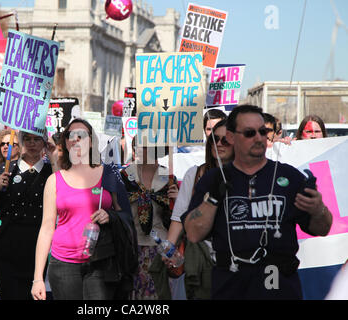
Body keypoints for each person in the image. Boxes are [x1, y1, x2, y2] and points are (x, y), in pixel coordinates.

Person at [183, 104, 333, 300]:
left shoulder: (289, 177)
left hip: (280, 286)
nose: (258, 138)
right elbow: (193, 233)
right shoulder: (214, 179)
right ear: (231, 137)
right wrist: (212, 199)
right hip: (231, 286)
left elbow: (323, 228)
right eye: (249, 133)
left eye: (263, 131)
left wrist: (318, 209)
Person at [32, 118, 136, 300]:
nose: (76, 139)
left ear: (91, 141)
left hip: (101, 261)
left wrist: (110, 216)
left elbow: (126, 216)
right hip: (63, 264)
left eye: (81, 135)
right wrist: (38, 278)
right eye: (70, 135)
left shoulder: (109, 173)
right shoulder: (54, 180)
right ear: (65, 142)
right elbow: (47, 227)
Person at [166, 119, 234, 299]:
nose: (218, 144)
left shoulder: (247, 175)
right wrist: (168, 249)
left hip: (236, 262)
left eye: (225, 140)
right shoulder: (195, 174)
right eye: (214, 139)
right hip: (201, 260)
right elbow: (178, 217)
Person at [0, 130, 55, 300]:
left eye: (37, 139)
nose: (32, 144)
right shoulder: (7, 169)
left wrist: (54, 156)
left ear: (44, 143)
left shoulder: (51, 171)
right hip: (7, 247)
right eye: (27, 139)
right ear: (20, 142)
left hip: (37, 247)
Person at [120, 143, 179, 300]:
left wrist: (177, 202)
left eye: (146, 145)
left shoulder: (169, 178)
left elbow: (177, 217)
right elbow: (118, 211)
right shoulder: (125, 176)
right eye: (138, 145)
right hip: (132, 248)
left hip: (160, 248)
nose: (141, 149)